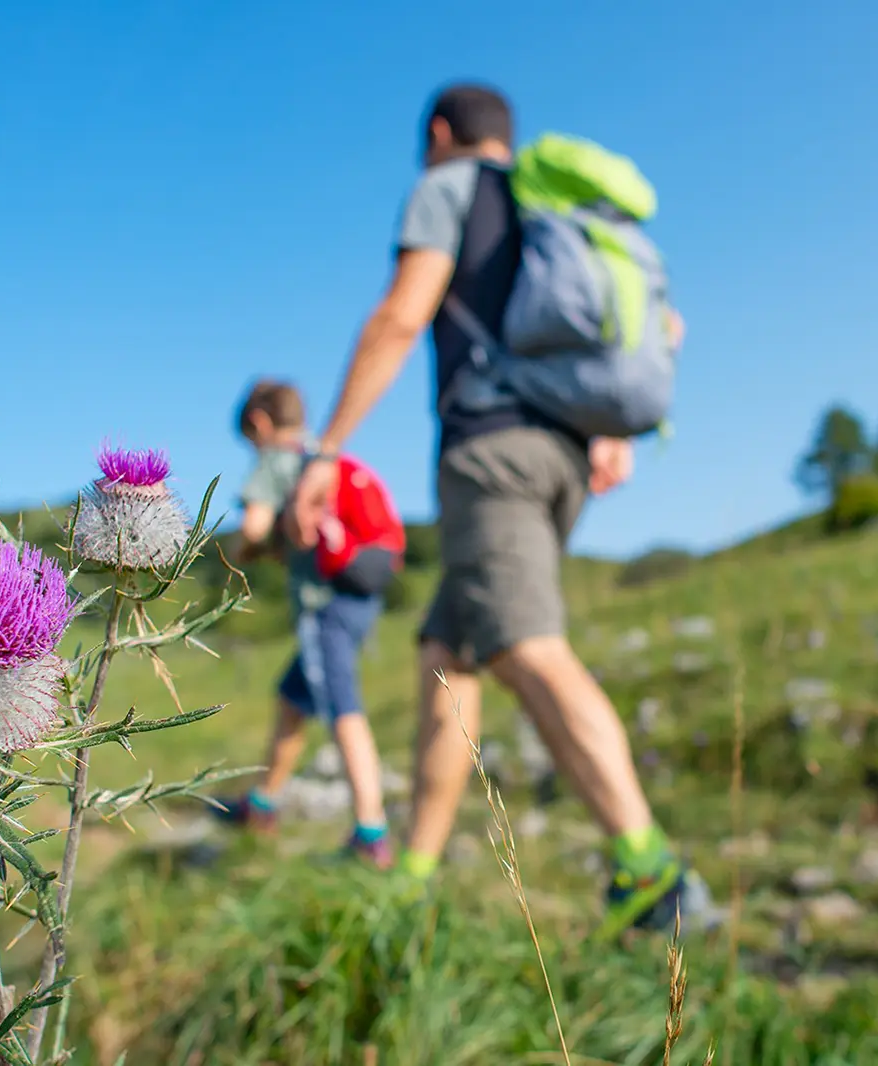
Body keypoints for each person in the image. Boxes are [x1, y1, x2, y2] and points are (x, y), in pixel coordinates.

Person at [284, 83, 714, 936]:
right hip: (561, 457)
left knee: (525, 645)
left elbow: (402, 315)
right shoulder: (558, 211)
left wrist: (325, 448)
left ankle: (653, 874)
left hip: (493, 456)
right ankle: (414, 872)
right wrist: (608, 427)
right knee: (449, 655)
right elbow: (666, 329)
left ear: (440, 133)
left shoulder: (450, 188)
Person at [212, 379, 395, 868]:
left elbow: (253, 528)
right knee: (292, 700)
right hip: (360, 596)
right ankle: (262, 804)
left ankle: (371, 834)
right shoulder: (323, 455)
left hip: (323, 605)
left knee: (342, 707)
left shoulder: (277, 460)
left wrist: (242, 550)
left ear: (260, 424)